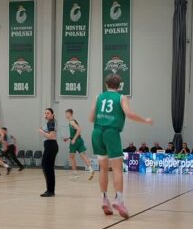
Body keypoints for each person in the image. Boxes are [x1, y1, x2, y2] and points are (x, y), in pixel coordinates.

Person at [90, 74, 152, 218]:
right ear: (119, 86)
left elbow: (91, 118)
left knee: (103, 169)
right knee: (117, 169)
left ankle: (104, 199)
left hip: (97, 132)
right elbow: (129, 114)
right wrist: (145, 120)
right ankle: (119, 200)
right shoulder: (122, 98)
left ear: (106, 84)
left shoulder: (98, 97)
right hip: (111, 132)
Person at [63, 108, 95, 180]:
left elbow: (79, 129)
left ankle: (75, 175)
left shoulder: (71, 122)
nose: (65, 115)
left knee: (71, 157)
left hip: (75, 142)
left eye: (66, 113)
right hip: (79, 140)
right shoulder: (74, 121)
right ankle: (91, 169)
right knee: (83, 155)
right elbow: (75, 132)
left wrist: (74, 139)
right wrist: (68, 138)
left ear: (70, 114)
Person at [38, 108, 58, 197]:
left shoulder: (51, 122)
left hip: (51, 146)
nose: (46, 114)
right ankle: (50, 190)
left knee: (46, 167)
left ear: (52, 114)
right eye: (45, 113)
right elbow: (50, 133)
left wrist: (41, 132)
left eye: (48, 113)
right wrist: (44, 131)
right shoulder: (50, 122)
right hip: (50, 146)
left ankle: (50, 191)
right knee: (48, 168)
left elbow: (52, 136)